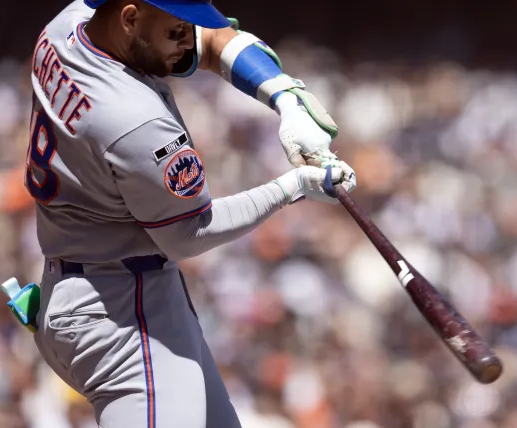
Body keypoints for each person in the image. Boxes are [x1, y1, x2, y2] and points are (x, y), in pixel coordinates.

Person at [22, 0, 356, 427]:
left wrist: (284, 96)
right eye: (176, 30)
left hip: (82, 290)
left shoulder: (66, 25)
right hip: (124, 318)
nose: (186, 40)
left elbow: (213, 41)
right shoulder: (135, 120)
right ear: (130, 18)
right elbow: (190, 233)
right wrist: (292, 187)